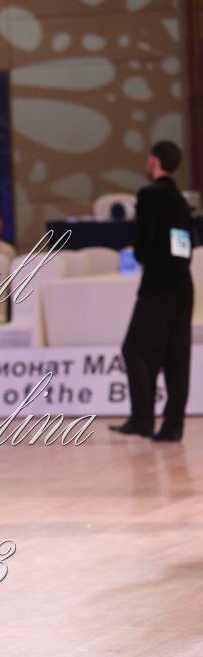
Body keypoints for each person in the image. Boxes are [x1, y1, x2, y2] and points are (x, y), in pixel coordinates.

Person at [109, 141, 194, 442]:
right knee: (176, 356)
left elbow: (143, 244)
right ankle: (173, 425)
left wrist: (145, 257)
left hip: (158, 284)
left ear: (155, 161)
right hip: (182, 282)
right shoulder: (180, 199)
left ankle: (142, 418)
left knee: (134, 350)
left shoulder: (149, 194)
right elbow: (184, 243)